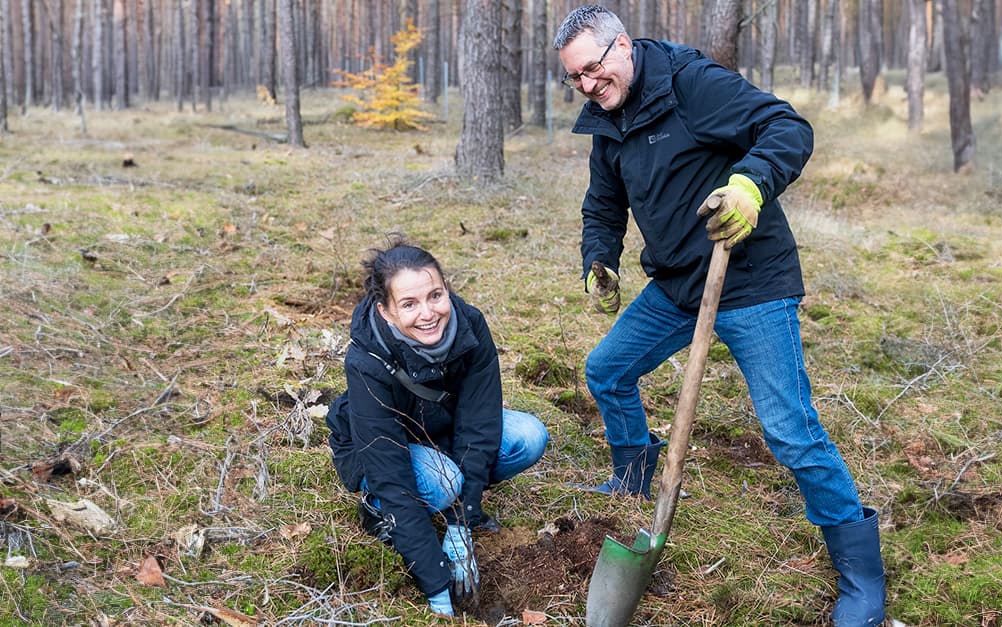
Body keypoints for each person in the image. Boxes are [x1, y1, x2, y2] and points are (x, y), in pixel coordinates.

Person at [553, 6, 885, 626]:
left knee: (789, 429)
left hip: (751, 280)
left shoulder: (691, 85)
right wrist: (599, 257)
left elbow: (787, 128)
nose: (589, 88)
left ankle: (861, 573)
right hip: (680, 284)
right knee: (607, 370)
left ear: (622, 46)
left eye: (595, 71)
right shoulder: (606, 117)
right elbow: (603, 201)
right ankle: (632, 479)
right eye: (576, 79)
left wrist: (750, 186)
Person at [325, 236, 549, 618]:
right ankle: (375, 510)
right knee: (443, 482)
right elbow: (389, 469)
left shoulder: (470, 326)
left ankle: (454, 500)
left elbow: (479, 424)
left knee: (529, 437)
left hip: (441, 431)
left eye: (435, 296)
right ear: (386, 310)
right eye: (409, 304)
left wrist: (462, 523)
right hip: (379, 451)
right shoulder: (367, 359)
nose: (428, 313)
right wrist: (436, 585)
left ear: (447, 289)